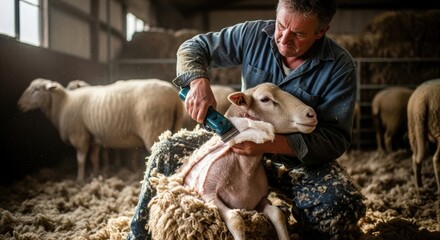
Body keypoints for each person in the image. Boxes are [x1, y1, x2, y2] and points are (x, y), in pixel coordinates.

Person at [127, 0, 366, 239]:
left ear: (321, 31)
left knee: (338, 202)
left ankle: (296, 232)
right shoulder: (253, 34)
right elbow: (193, 47)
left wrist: (266, 144)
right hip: (235, 143)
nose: (283, 39)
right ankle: (138, 235)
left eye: (298, 34)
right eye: (281, 25)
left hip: (294, 158)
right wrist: (198, 80)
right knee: (166, 151)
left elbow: (335, 139)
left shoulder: (339, 67)